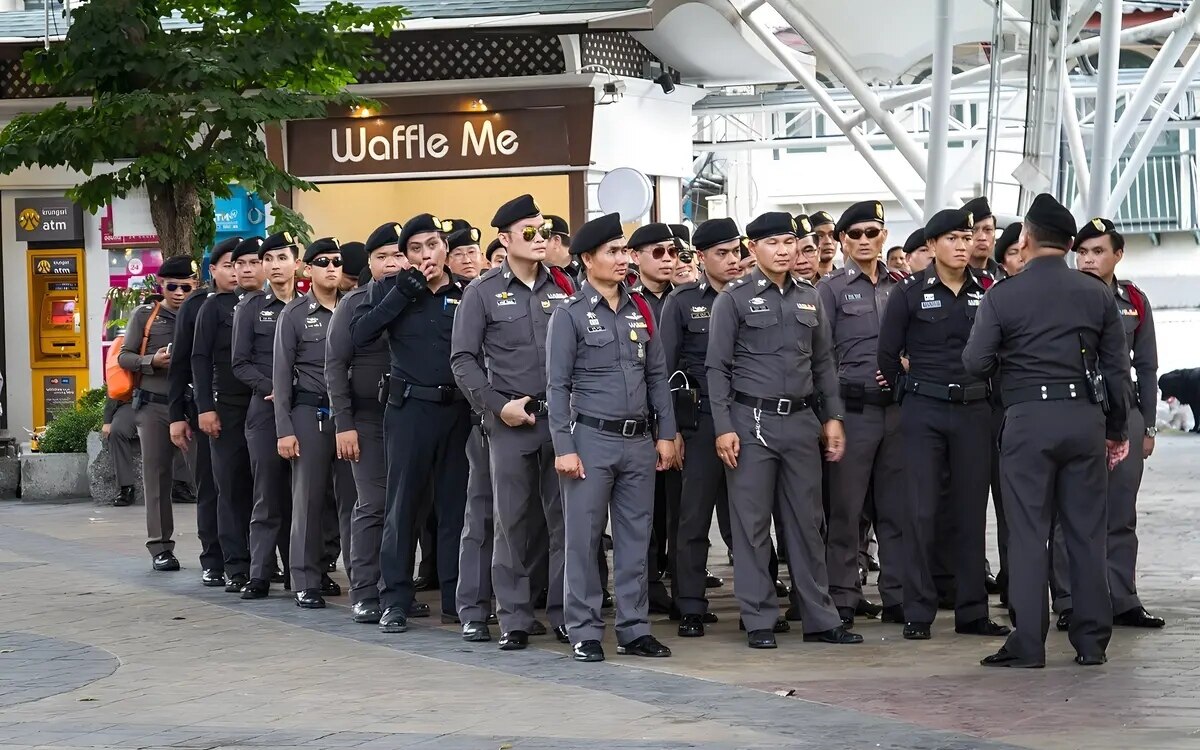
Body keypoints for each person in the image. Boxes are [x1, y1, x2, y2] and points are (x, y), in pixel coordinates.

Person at [963, 193, 1132, 668]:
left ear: (1027, 238)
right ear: (1070, 244)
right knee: (1085, 533)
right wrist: (1116, 429)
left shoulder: (1003, 294)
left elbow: (975, 362)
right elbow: (1118, 370)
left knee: (1028, 532)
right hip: (1084, 421)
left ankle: (1029, 644)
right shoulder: (1096, 292)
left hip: (1027, 424)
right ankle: (1092, 641)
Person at [707, 211, 861, 649]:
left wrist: (833, 418)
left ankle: (819, 616)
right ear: (752, 249)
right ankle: (759, 618)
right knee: (752, 524)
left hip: (800, 421)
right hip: (750, 422)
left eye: (789, 242)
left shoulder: (809, 298)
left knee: (808, 524)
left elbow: (823, 363)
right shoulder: (733, 299)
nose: (784, 250)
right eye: (772, 243)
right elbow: (716, 368)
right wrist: (723, 427)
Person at [546, 212, 679, 662]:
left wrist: (667, 434)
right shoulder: (569, 315)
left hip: (639, 441)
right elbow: (557, 386)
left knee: (635, 538)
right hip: (590, 440)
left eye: (625, 251)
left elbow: (657, 375)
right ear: (588, 259)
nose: (623, 259)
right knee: (582, 539)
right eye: (614, 252)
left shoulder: (640, 309)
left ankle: (634, 628)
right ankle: (583, 628)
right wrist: (564, 447)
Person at [878, 208, 1011, 641]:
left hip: (974, 411)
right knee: (922, 510)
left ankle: (973, 611)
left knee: (971, 513)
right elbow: (886, 354)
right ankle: (919, 610)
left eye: (967, 237)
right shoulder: (910, 293)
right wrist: (911, 393)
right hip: (924, 412)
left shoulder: (988, 291)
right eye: (953, 238)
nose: (963, 244)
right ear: (932, 246)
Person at [451, 194, 577, 649]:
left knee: (566, 520)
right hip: (509, 421)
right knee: (510, 521)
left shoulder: (566, 287)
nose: (540, 238)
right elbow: (462, 359)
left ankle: (567, 613)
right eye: (529, 231)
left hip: (560, 420)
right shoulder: (482, 292)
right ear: (504, 239)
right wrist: (494, 405)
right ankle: (514, 618)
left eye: (543, 230)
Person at [351, 213, 472, 633]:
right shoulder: (390, 289)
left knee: (456, 507)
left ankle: (459, 600)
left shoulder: (466, 292)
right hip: (408, 411)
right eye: (416, 249)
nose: (426, 255)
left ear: (446, 249)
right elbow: (357, 336)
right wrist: (401, 293)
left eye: (433, 245)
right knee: (401, 507)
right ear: (404, 256)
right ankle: (395, 599)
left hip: (457, 411)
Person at [1051, 218, 1164, 631]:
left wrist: (1147, 426)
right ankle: (1068, 599)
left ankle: (1122, 597)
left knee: (1121, 510)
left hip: (1124, 413)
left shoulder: (1133, 298)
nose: (1088, 259)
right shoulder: (1063, 296)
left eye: (1098, 251)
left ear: (1118, 254)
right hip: (1077, 412)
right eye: (1081, 251)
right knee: (1071, 511)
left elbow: (1147, 366)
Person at [816, 200, 905, 627]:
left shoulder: (899, 285)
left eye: (873, 232)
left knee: (896, 508)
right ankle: (843, 598)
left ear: (884, 235)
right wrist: (830, 416)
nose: (865, 241)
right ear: (842, 241)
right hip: (851, 411)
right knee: (847, 512)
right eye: (856, 234)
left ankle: (898, 595)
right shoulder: (829, 290)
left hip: (895, 412)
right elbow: (820, 356)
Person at [661, 217, 742, 636]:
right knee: (691, 519)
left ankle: (755, 602)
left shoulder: (752, 295)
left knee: (746, 520)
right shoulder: (681, 301)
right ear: (701, 257)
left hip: (747, 420)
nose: (732, 261)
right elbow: (665, 369)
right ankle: (689, 604)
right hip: (699, 420)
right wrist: (670, 430)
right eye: (721, 254)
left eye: (735, 252)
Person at [329, 225, 409, 623]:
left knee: (404, 507)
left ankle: (396, 590)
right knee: (373, 505)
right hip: (366, 419)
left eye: (398, 255)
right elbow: (335, 364)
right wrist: (343, 423)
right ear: (371, 264)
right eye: (383, 257)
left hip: (411, 418)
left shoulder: (419, 299)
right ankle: (364, 590)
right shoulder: (354, 304)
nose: (392, 263)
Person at [271, 237, 354, 608]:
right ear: (308, 269)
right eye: (323, 262)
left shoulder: (353, 308)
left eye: (337, 261)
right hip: (311, 413)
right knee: (308, 498)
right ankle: (304, 578)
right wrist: (284, 430)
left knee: (352, 499)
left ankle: (358, 577)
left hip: (349, 415)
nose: (332, 268)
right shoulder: (294, 314)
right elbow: (280, 378)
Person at [189, 237, 264, 593]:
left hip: (264, 404)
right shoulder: (214, 307)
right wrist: (204, 407)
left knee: (265, 488)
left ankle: (265, 562)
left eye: (254, 262)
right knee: (230, 487)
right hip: (227, 407)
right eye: (240, 263)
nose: (246, 269)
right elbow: (199, 360)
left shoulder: (274, 304)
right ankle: (235, 565)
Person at [119, 255, 198, 572]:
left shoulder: (200, 314)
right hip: (154, 406)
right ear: (161, 285)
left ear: (195, 286)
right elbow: (124, 356)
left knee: (205, 478)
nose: (179, 292)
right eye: (172, 286)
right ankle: (161, 547)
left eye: (185, 286)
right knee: (157, 478)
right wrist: (151, 361)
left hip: (193, 406)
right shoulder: (145, 316)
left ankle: (218, 548)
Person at [233, 233, 299, 598]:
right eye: (268, 259)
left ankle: (300, 571)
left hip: (302, 410)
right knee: (268, 492)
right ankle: (258, 573)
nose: (275, 265)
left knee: (302, 495)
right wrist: (268, 386)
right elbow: (239, 362)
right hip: (265, 409)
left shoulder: (307, 306)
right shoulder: (252, 306)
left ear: (296, 263)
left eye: (282, 257)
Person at [103, 398, 140, 507]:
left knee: (186, 428)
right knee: (117, 432)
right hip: (132, 402)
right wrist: (107, 420)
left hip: (164, 402)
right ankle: (126, 486)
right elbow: (114, 390)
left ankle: (180, 483)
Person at [963, 197, 1004, 282]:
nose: (982, 238)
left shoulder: (1003, 276)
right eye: (974, 230)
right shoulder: (952, 277)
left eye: (988, 230)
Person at [790, 215, 821, 284]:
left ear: (819, 252)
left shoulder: (832, 289)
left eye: (808, 251)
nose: (801, 261)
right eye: (794, 253)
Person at [810, 210, 839, 277]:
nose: (828, 241)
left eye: (832, 235)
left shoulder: (844, 280)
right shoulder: (801, 283)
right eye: (820, 236)